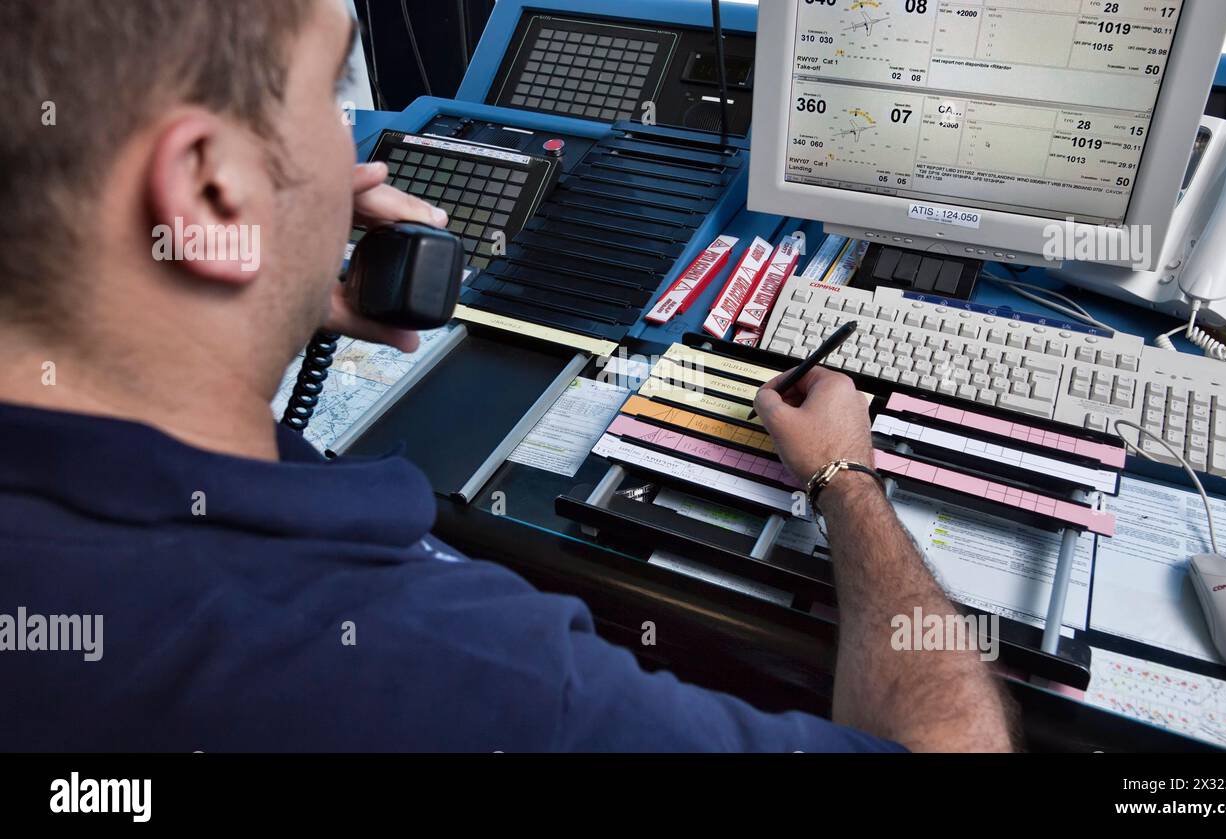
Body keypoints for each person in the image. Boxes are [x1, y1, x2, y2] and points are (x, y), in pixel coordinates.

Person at [0, 0, 1014, 752]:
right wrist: (845, 476)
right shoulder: (482, 683)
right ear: (211, 188)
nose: (359, 159)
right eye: (325, 94)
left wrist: (264, 283)